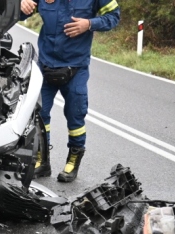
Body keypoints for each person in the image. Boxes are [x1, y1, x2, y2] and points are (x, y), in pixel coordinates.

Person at [20, 0, 120, 182]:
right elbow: (19, 14)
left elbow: (114, 16)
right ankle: (42, 161)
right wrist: (21, 4)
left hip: (76, 68)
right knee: (38, 115)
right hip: (46, 65)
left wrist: (89, 24)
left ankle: (73, 160)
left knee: (76, 116)